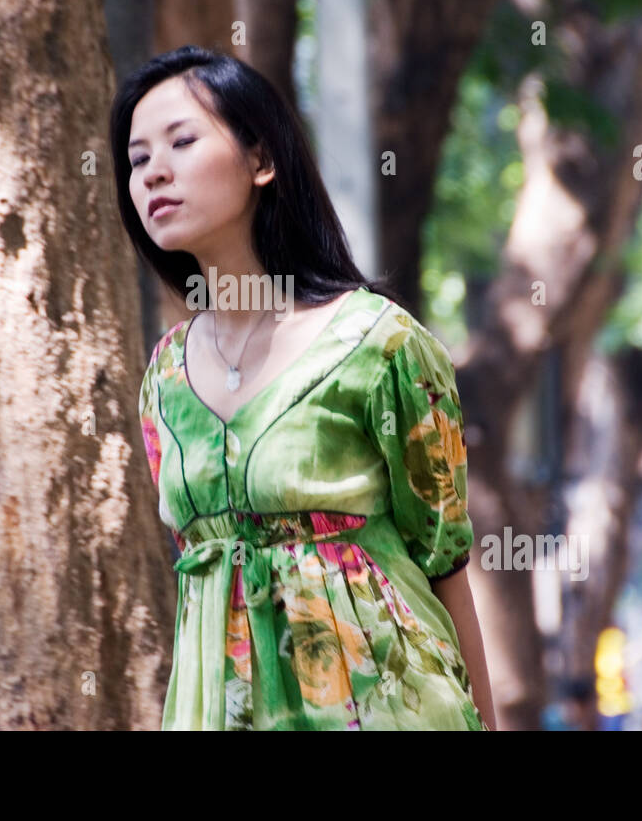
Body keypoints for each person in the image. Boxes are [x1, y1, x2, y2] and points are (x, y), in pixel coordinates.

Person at [112, 45, 495, 730]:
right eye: (137, 159)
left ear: (262, 159)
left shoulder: (378, 344)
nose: (153, 173)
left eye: (181, 141)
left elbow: (445, 562)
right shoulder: (165, 379)